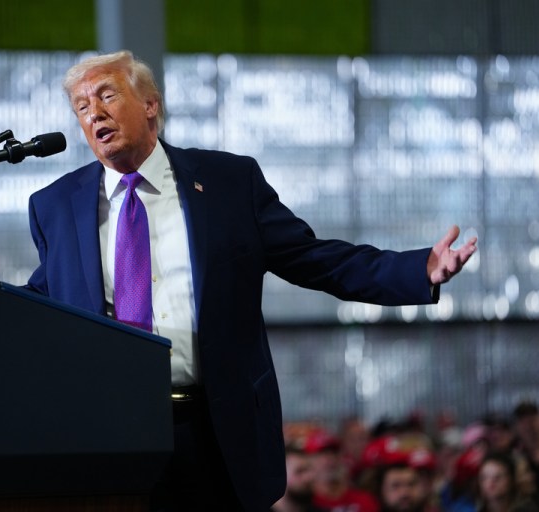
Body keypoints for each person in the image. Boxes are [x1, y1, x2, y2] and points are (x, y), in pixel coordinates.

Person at [24, 50, 478, 511]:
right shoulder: (55, 206)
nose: (94, 113)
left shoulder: (228, 183)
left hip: (215, 430)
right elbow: (42, 303)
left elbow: (314, 259)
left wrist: (417, 269)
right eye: (82, 107)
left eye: (107, 96)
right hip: (112, 435)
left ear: (150, 105)